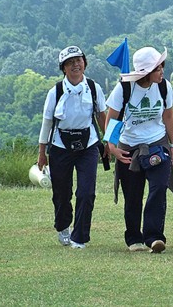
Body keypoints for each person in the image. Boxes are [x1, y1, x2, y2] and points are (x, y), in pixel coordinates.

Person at [106, 46, 173, 254]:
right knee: (133, 194)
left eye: (162, 66)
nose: (162, 71)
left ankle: (154, 236)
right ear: (147, 72)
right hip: (129, 146)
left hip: (158, 143)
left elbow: (168, 116)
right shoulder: (124, 88)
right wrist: (112, 147)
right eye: (158, 68)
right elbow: (112, 118)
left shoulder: (164, 86)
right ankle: (134, 238)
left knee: (158, 188)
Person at [38, 46, 107, 249]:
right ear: (64, 68)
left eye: (79, 60)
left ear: (85, 63)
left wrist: (109, 142)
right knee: (62, 192)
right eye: (70, 62)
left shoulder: (94, 88)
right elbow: (47, 122)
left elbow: (102, 116)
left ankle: (80, 237)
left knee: (86, 192)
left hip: (88, 144)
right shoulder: (56, 91)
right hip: (60, 145)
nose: (76, 65)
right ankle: (63, 226)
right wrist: (42, 153)